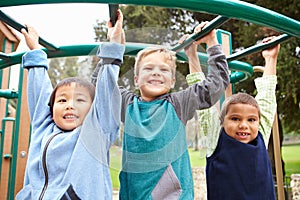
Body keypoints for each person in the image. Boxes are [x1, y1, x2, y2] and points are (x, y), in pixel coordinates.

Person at [91, 16, 230, 199]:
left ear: (172, 81)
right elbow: (99, 85)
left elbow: (216, 84)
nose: (156, 72)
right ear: (136, 79)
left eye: (164, 70)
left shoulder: (179, 103)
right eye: (148, 69)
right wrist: (114, 44)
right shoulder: (128, 105)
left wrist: (212, 43)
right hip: (134, 194)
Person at [16, 10, 125, 200]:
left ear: (93, 109)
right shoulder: (44, 127)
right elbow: (39, 90)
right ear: (51, 109)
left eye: (80, 100)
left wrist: (113, 48)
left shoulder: (97, 131)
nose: (69, 105)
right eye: (62, 100)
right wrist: (35, 51)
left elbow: (106, 93)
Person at [188, 36, 280, 200]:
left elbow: (266, 98)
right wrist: (194, 53)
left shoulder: (260, 135)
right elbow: (202, 98)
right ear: (222, 122)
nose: (244, 125)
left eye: (251, 120)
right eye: (235, 119)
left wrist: (271, 58)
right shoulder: (217, 137)